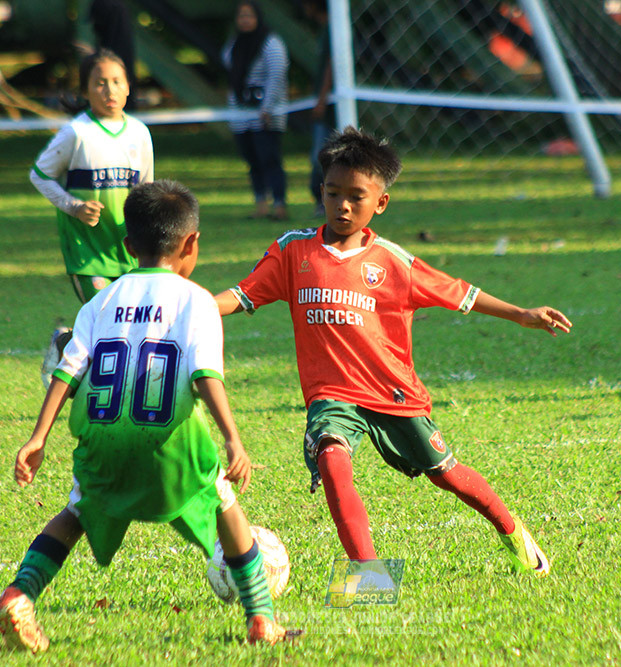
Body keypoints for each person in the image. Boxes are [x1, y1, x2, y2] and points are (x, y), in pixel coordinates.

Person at [215, 127, 572, 574]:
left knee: (445, 474)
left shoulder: (392, 261)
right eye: (333, 193)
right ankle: (369, 578)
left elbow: (458, 292)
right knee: (332, 458)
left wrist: (519, 313)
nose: (343, 205)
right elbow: (242, 294)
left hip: (392, 392)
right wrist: (189, 304)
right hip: (332, 393)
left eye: (356, 197)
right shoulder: (293, 251)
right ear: (321, 192)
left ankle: (513, 531)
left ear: (380, 203)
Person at [0, 180, 292, 653]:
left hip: (103, 442)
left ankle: (20, 594)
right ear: (192, 243)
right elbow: (205, 375)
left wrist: (38, 437)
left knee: (75, 513)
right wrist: (233, 438)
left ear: (129, 246)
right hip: (169, 444)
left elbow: (67, 370)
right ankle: (261, 619)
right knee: (226, 508)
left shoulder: (99, 302)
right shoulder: (196, 300)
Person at [29, 48, 153, 386]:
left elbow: (146, 190)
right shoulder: (76, 133)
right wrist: (74, 206)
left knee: (130, 323)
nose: (109, 90)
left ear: (128, 86)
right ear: (85, 90)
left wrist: (149, 236)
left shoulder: (139, 133)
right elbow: (40, 175)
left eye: (117, 81)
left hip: (127, 248)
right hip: (87, 249)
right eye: (100, 83)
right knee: (108, 318)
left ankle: (65, 342)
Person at [222, 1, 290, 221]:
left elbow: (276, 76)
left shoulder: (271, 42)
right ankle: (261, 204)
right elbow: (231, 74)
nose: (245, 20)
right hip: (242, 114)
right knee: (251, 160)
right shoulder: (234, 44)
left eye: (249, 16)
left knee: (269, 158)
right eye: (241, 16)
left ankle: (279, 204)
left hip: (266, 114)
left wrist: (267, 107)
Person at [303, 0, 334, 218]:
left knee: (322, 155)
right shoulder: (325, 30)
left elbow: (332, 65)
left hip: (331, 107)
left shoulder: (334, 30)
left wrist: (322, 99)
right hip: (326, 103)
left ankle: (324, 201)